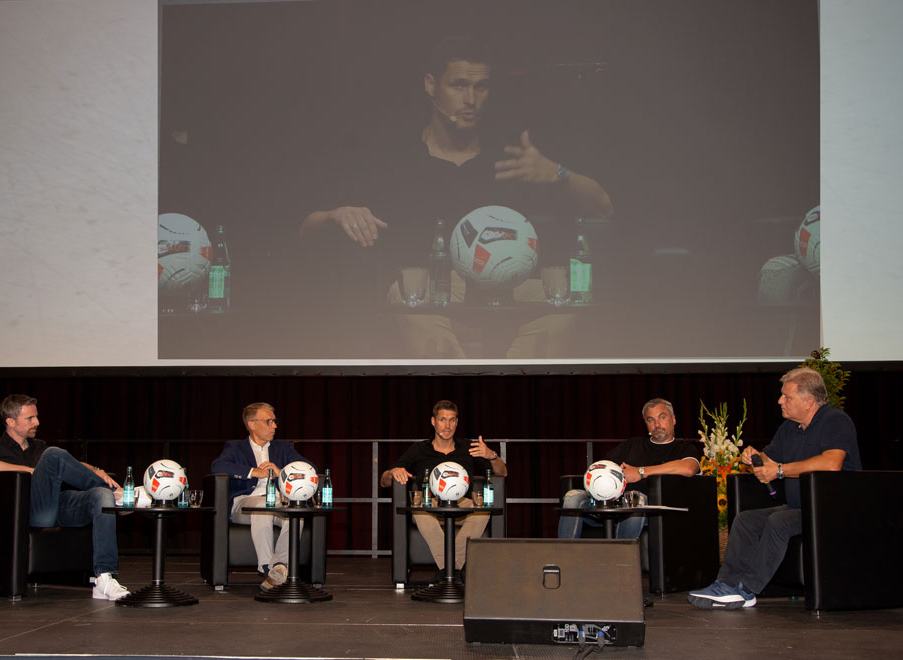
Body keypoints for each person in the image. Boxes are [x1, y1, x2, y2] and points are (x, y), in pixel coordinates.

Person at [298, 36, 613, 358]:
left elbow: (604, 206)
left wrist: (558, 173)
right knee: (407, 296)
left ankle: (509, 388)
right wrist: (337, 214)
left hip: (507, 292)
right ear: (431, 85)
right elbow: (306, 229)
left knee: (564, 302)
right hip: (426, 296)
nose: (471, 99)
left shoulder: (512, 158)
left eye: (482, 87)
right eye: (459, 86)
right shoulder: (393, 159)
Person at [687, 367, 861, 610]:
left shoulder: (835, 421)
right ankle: (726, 585)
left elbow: (831, 464)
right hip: (798, 506)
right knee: (746, 520)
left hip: (830, 508)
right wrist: (754, 458)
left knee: (779, 521)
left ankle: (747, 590)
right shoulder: (789, 428)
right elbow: (769, 461)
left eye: (787, 396)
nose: (780, 401)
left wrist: (779, 469)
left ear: (809, 401)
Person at [0, 394, 129, 600]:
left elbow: (71, 463)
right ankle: (121, 497)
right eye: (30, 418)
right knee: (54, 455)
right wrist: (29, 470)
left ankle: (104, 578)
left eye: (36, 417)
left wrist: (97, 470)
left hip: (55, 506)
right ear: (10, 422)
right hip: (29, 511)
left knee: (100, 496)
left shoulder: (38, 446)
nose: (37, 422)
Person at [380, 400, 507, 578]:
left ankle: (449, 571)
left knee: (483, 511)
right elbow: (384, 481)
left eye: (452, 420)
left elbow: (502, 472)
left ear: (457, 422)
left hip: (463, 505)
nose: (447, 426)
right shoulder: (419, 449)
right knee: (419, 509)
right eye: (442, 420)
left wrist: (491, 455)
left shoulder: (468, 447)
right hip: (430, 505)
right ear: (433, 421)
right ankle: (451, 571)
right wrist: (394, 472)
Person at [558, 398, 701, 539]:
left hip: (650, 512)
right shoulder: (632, 445)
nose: (657, 424)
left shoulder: (684, 448)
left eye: (662, 417)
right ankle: (564, 557)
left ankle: (619, 559)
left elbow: (689, 468)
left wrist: (640, 472)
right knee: (572, 496)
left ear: (674, 419)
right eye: (650, 420)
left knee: (636, 498)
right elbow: (602, 467)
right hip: (613, 505)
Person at [210, 402, 313, 591]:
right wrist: (253, 472)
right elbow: (218, 467)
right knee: (262, 506)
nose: (274, 426)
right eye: (269, 421)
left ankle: (279, 568)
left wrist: (281, 471)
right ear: (252, 424)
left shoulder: (282, 448)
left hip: (279, 502)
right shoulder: (235, 448)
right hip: (245, 503)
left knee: (295, 517)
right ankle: (267, 567)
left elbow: (307, 467)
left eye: (274, 421)